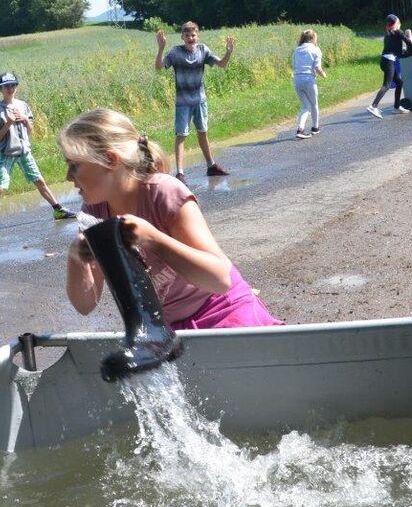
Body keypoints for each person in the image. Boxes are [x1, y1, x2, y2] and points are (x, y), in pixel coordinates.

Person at [62, 108, 283, 330]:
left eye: (74, 165)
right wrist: (76, 258)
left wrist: (152, 239)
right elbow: (85, 305)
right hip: (171, 329)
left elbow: (219, 279)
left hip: (224, 312)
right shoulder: (94, 211)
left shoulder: (164, 193)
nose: (68, 176)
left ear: (110, 159)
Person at [155, 21, 234, 185]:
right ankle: (180, 173)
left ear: (197, 35)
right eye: (187, 35)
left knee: (203, 132)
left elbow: (221, 64)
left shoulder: (203, 50)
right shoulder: (176, 52)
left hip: (200, 100)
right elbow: (159, 68)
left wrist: (228, 52)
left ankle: (211, 166)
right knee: (181, 135)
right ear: (182, 37)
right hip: (183, 103)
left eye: (193, 35)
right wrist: (161, 48)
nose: (190, 38)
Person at [0, 72, 76, 220]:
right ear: (1, 89)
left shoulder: (23, 105)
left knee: (39, 180)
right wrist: (8, 123)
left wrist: (25, 120)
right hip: (5, 153)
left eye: (13, 85)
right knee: (1, 188)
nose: (10, 89)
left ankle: (58, 210)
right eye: (6, 86)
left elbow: (30, 131)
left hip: (24, 152)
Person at [367, 14, 412, 119]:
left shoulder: (389, 34)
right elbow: (409, 44)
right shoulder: (398, 32)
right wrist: (409, 34)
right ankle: (373, 106)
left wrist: (405, 51)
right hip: (389, 62)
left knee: (399, 82)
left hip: (385, 61)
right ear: (397, 22)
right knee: (387, 85)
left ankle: (396, 107)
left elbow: (398, 52)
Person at [292, 29, 327, 139]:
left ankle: (300, 129)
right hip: (309, 79)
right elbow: (317, 68)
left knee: (305, 106)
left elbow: (294, 66)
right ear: (312, 38)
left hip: (297, 80)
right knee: (314, 104)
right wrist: (324, 75)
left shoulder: (297, 50)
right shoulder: (316, 50)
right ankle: (315, 128)